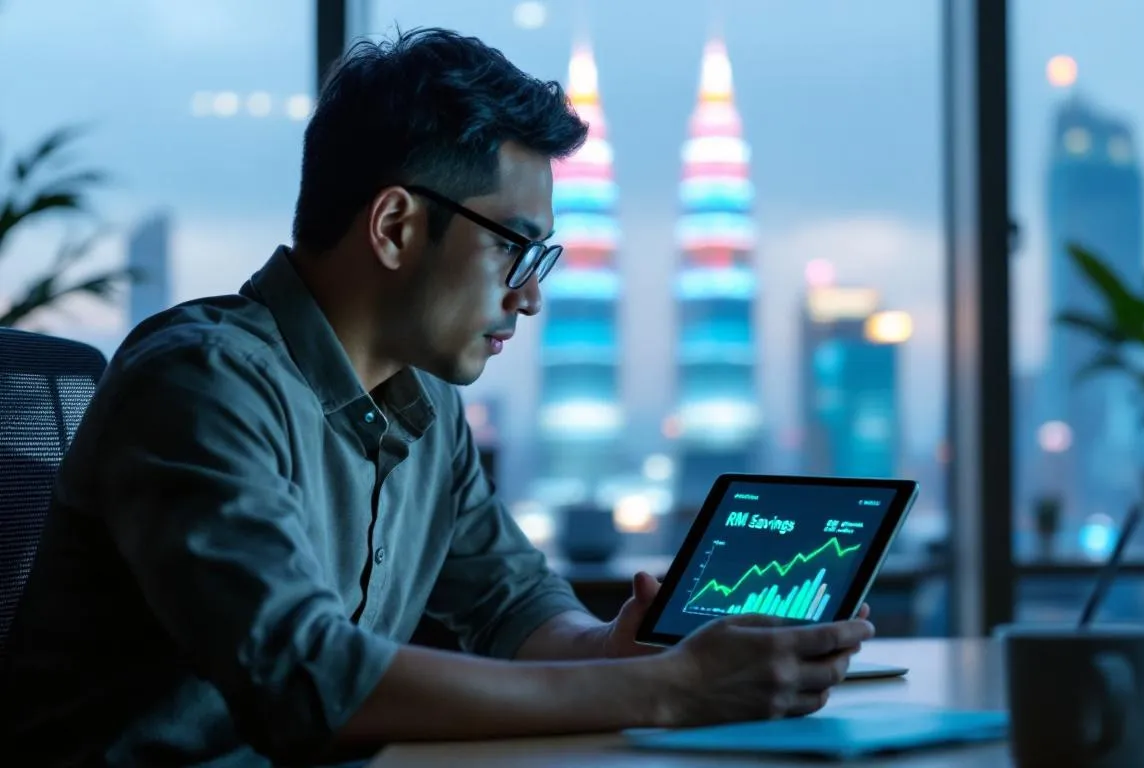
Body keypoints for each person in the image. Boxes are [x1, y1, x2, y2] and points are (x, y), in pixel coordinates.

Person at [0, 27, 874, 766]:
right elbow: (305, 678)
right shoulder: (200, 384)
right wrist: (668, 689)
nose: (529, 296)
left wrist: (618, 647)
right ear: (394, 227)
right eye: (514, 250)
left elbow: (514, 607)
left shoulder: (424, 402)